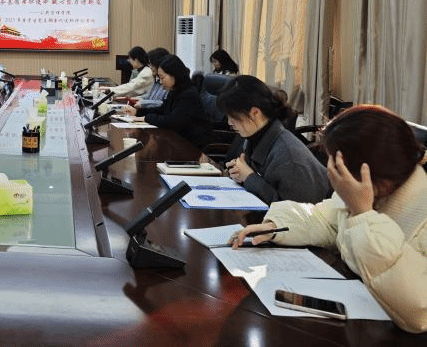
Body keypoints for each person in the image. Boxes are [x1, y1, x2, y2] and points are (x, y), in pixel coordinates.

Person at [232, 105, 427, 334]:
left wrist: (363, 214)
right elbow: (327, 219)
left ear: (366, 169)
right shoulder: (373, 189)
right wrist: (276, 226)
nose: (332, 171)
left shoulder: (418, 210)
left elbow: (419, 310)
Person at [216, 75, 329, 204]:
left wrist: (248, 177)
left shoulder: (289, 157)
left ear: (255, 113)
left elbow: (293, 210)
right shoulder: (254, 136)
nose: (230, 123)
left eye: (233, 116)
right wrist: (239, 172)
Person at [132, 54, 216, 149]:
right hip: (177, 141)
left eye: (162, 78)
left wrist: (147, 118)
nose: (160, 82)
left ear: (174, 75)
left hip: (192, 146)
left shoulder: (188, 95)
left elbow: (172, 122)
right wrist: (138, 112)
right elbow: (162, 110)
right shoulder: (175, 91)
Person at [121, 48, 170, 112]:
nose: (150, 67)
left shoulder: (167, 83)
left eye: (151, 65)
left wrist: (143, 103)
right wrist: (135, 99)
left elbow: (164, 104)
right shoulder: (157, 80)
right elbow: (150, 96)